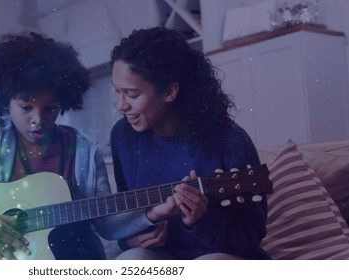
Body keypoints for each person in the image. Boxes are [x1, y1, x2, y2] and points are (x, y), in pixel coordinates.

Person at [0, 32, 150, 260]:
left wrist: (152, 214)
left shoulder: (85, 150)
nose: (38, 119)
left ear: (63, 102)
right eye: (25, 106)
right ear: (6, 101)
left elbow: (106, 223)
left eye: (50, 108)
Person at [109, 27, 270, 260]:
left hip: (219, 258)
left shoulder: (231, 141)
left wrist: (202, 219)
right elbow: (127, 211)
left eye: (132, 94)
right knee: (129, 261)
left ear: (169, 91)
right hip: (165, 257)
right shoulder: (122, 136)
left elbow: (252, 235)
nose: (120, 105)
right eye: (117, 92)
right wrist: (129, 239)